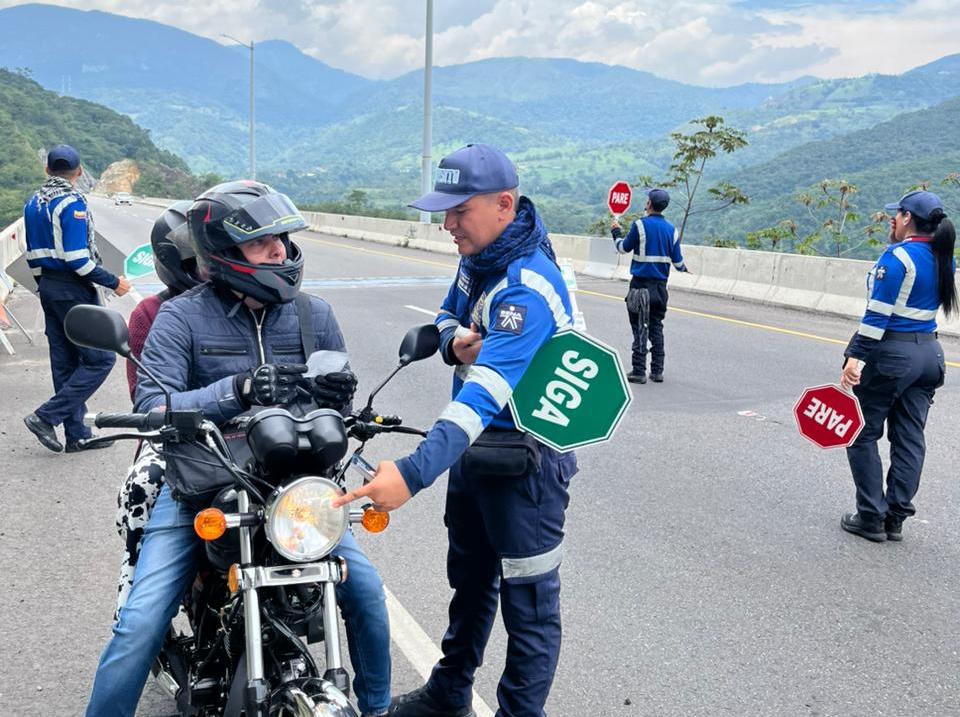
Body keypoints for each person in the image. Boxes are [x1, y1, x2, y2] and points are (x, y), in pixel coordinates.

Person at [86, 181, 391, 717]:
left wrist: (341, 400)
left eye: (284, 241)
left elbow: (336, 411)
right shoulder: (181, 317)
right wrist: (237, 391)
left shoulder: (313, 315)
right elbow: (152, 405)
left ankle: (379, 708)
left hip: (293, 496)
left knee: (367, 595)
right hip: (202, 490)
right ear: (224, 254)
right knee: (139, 624)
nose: (280, 252)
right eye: (264, 243)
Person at [334, 144, 579, 717]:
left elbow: (484, 395)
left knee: (530, 604)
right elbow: (446, 314)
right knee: (469, 580)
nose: (446, 225)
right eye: (443, 211)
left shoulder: (528, 284)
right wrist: (452, 340)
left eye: (458, 211)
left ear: (503, 205)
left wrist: (414, 473)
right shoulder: (480, 258)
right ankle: (450, 692)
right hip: (473, 454)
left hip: (527, 462)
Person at [839, 190, 956, 543]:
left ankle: (871, 516)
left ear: (908, 218)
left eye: (898, 213)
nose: (893, 219)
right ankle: (895, 517)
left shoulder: (898, 257)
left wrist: (854, 359)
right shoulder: (942, 257)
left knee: (861, 431)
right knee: (909, 437)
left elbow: (877, 316)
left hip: (892, 355)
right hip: (930, 355)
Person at [114, 201, 202, 618]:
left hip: (250, 436)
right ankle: (136, 604)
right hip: (175, 436)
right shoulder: (151, 313)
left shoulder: (254, 303)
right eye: (200, 259)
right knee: (143, 488)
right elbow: (147, 398)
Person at [22, 144, 132, 453]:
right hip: (72, 289)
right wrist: (114, 282)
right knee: (101, 358)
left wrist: (46, 288)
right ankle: (46, 417)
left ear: (47, 170)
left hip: (48, 286)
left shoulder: (33, 203)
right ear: (79, 171)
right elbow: (78, 260)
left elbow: (31, 256)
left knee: (65, 361)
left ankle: (77, 434)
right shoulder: (71, 204)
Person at [610, 188, 688, 384]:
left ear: (649, 204)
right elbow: (678, 263)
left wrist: (616, 231)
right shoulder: (672, 230)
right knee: (656, 327)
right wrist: (686, 268)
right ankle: (657, 371)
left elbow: (622, 248)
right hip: (660, 289)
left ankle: (638, 370)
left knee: (639, 327)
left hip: (640, 287)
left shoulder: (640, 225)